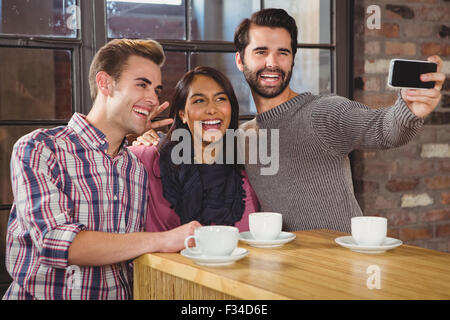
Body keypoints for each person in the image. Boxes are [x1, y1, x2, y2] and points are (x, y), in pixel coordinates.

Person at [3, 39, 200, 300]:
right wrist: (163, 239)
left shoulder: (135, 169)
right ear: (105, 83)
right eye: (141, 84)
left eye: (157, 89)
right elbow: (60, 243)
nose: (153, 99)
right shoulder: (41, 148)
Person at [232, 8, 445, 232]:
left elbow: (383, 128)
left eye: (282, 52)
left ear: (292, 60)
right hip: (287, 263)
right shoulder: (244, 137)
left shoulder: (323, 112)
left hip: (344, 261)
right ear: (240, 60)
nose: (272, 62)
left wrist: (409, 110)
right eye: (261, 52)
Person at [129, 66, 260, 232]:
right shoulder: (147, 158)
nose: (212, 109)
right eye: (199, 100)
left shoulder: (247, 167)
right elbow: (104, 158)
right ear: (182, 114)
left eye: (220, 99)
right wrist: (132, 129)